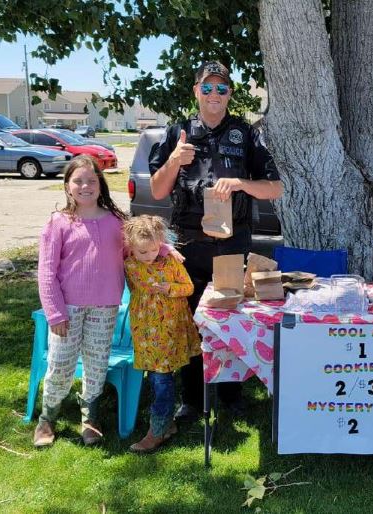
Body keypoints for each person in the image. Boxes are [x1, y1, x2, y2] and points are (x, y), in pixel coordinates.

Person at [148, 61, 282, 422]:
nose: (214, 95)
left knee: (230, 316)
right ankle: (192, 396)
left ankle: (230, 393)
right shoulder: (177, 132)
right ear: (196, 92)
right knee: (189, 318)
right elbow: (159, 189)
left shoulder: (245, 133)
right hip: (188, 244)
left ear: (230, 94)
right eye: (207, 88)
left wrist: (241, 184)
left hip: (231, 243)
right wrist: (175, 160)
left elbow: (275, 187)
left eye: (221, 88)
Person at [34, 155, 173, 448]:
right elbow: (46, 273)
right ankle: (47, 419)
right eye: (78, 181)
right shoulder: (59, 223)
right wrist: (55, 313)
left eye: (91, 181)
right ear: (68, 186)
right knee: (60, 364)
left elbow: (140, 245)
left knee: (97, 364)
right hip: (67, 310)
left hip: (106, 308)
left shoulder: (116, 222)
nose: (85, 186)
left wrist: (166, 251)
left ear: (101, 185)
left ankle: (90, 419)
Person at [122, 215, 199, 452]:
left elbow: (189, 288)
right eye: (142, 252)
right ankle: (166, 424)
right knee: (156, 376)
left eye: (154, 250)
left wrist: (170, 289)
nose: (148, 256)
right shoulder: (129, 264)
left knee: (161, 377)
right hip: (144, 329)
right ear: (131, 247)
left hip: (170, 329)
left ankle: (158, 429)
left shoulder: (171, 263)